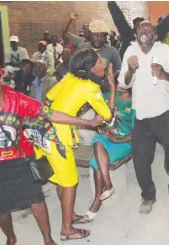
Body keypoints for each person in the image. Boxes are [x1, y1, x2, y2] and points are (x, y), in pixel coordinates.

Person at [0, 60, 105, 245]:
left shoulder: (18, 100)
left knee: (36, 200)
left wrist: (87, 123)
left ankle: (48, 239)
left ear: (1, 78)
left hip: (21, 158)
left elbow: (51, 114)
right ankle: (10, 237)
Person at [30, 49, 113, 241]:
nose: (104, 63)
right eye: (100, 61)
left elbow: (48, 100)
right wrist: (112, 86)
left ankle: (70, 216)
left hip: (42, 132)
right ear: (92, 68)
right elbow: (107, 116)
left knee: (62, 179)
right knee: (70, 182)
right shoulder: (91, 87)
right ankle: (67, 229)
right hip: (58, 138)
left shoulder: (69, 77)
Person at [118, 21, 169, 214]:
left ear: (155, 35)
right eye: (141, 29)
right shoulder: (130, 51)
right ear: (136, 34)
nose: (144, 31)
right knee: (140, 159)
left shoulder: (165, 51)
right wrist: (131, 70)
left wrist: (164, 75)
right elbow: (124, 83)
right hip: (141, 115)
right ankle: (148, 195)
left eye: (149, 30)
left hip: (165, 112)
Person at [86, 64, 135, 221]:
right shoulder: (108, 95)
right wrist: (105, 129)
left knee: (95, 163)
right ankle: (108, 186)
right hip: (107, 138)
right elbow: (105, 117)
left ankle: (96, 201)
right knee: (97, 140)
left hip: (124, 141)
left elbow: (138, 132)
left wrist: (119, 139)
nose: (117, 83)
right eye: (116, 81)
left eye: (121, 82)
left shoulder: (136, 104)